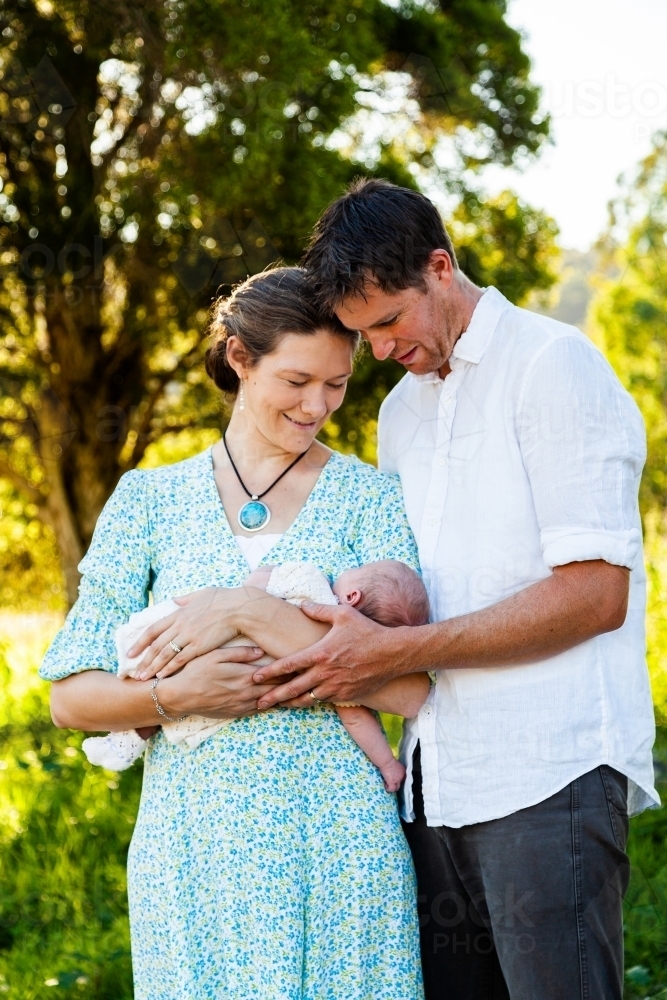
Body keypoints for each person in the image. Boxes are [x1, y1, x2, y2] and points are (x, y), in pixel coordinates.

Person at [235, 180, 657, 1000]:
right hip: (433, 785)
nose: (381, 350)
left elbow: (595, 594)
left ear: (439, 267)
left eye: (389, 321)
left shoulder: (551, 365)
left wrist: (393, 653)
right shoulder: (401, 415)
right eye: (363, 335)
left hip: (547, 774)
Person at [40, 266, 426, 1000]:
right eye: (296, 380)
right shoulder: (148, 501)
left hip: (339, 846)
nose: (318, 405)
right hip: (194, 851)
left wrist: (250, 612)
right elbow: (71, 697)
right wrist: (177, 696)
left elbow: (408, 689)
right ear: (239, 358)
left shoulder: (371, 498)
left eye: (337, 384)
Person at [82, 558, 430, 792]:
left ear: (352, 596)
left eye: (358, 569)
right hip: (252, 679)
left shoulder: (310, 582)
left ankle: (128, 731)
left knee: (176, 672)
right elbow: (357, 719)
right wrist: (388, 764)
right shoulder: (345, 663)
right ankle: (130, 736)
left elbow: (254, 585)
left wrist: (254, 594)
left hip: (221, 649)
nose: (346, 570)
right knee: (196, 691)